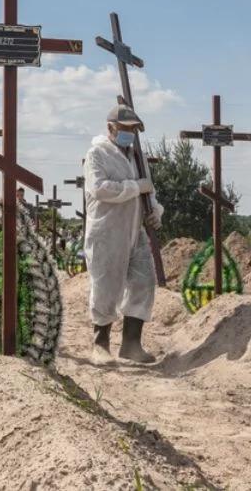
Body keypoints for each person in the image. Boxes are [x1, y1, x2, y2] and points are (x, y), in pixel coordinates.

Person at [83, 104, 163, 364]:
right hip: (107, 232)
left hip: (135, 230)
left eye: (133, 130)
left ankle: (131, 344)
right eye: (124, 129)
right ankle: (100, 345)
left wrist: (156, 211)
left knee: (144, 282)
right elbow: (100, 189)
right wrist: (134, 187)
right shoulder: (98, 154)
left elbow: (149, 192)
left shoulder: (136, 157)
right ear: (111, 128)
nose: (129, 134)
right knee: (106, 286)